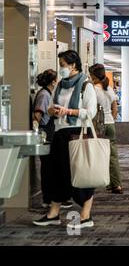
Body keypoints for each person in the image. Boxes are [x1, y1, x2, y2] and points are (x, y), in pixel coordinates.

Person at [33, 50, 98, 228]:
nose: (60, 69)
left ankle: (85, 216)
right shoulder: (61, 85)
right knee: (57, 174)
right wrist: (52, 111)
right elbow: (51, 108)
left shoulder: (86, 85)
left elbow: (90, 112)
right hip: (60, 132)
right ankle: (53, 214)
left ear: (73, 65)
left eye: (62, 65)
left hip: (79, 132)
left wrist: (69, 111)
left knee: (81, 174)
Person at [33, 70, 74, 210]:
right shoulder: (44, 95)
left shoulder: (49, 94)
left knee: (53, 167)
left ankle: (56, 197)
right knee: (48, 167)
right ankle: (48, 198)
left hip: (50, 131)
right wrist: (36, 132)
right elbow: (37, 115)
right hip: (46, 132)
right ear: (53, 81)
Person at [89, 64, 123, 194]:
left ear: (93, 76)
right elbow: (115, 108)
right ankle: (116, 184)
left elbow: (91, 111)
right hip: (110, 124)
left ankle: (94, 182)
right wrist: (111, 120)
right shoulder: (109, 89)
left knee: (97, 155)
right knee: (113, 156)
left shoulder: (93, 90)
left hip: (98, 126)